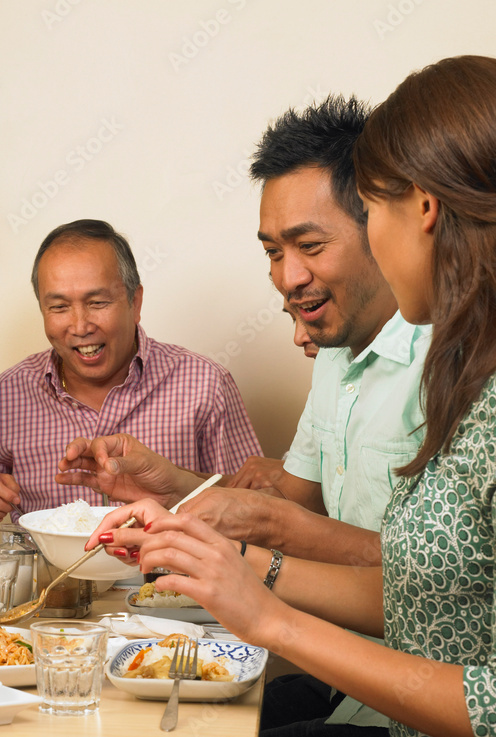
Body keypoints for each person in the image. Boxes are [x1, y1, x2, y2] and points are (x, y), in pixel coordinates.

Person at [86, 55, 496, 737]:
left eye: (374, 209)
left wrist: (271, 616)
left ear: (422, 208)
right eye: (273, 251)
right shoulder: (464, 370)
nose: (287, 278)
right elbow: (429, 595)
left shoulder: (459, 373)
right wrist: (225, 559)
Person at [0, 219, 262, 539]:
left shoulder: (205, 383)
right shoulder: (5, 394)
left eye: (97, 303)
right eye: (59, 307)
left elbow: (257, 514)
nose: (80, 326)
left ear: (135, 302)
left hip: (167, 571)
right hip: (47, 573)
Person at [220, 299, 319, 492]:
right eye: (293, 319)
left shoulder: (209, 380)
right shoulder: (325, 384)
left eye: (312, 310)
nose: (298, 338)